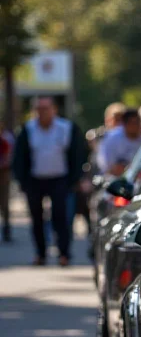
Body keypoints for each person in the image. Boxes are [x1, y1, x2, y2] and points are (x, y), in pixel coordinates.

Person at [12, 97, 87, 266]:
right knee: (36, 218)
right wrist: (22, 181)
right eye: (39, 109)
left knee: (61, 217)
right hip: (35, 180)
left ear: (54, 110)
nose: (43, 112)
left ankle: (64, 253)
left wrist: (75, 178)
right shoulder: (28, 129)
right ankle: (40, 253)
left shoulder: (66, 128)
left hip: (60, 179)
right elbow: (19, 157)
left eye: (46, 108)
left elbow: (79, 154)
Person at [97, 109, 141, 176]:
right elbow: (106, 165)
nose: (136, 126)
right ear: (125, 124)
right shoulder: (112, 139)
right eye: (132, 123)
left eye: (137, 123)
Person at [0, 121, 15, 242]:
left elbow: (9, 157)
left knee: (4, 204)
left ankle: (6, 230)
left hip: (3, 175)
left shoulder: (5, 140)